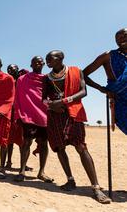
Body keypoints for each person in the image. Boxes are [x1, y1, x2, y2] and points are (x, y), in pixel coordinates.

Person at [43, 50, 111, 204]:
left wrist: (64, 101)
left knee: (81, 147)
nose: (48, 61)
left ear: (61, 59)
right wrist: (51, 105)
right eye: (47, 58)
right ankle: (70, 179)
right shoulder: (46, 78)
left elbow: (83, 91)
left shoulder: (75, 71)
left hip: (73, 113)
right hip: (54, 115)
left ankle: (96, 187)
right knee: (59, 148)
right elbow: (44, 99)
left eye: (51, 58)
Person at [13, 56, 53, 183]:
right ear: (31, 65)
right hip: (28, 116)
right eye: (35, 62)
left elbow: (51, 96)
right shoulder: (22, 79)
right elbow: (17, 98)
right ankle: (22, 171)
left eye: (40, 62)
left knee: (43, 143)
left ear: (44, 64)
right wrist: (18, 115)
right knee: (26, 143)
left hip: (44, 115)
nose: (38, 63)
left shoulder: (47, 79)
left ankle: (41, 172)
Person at [83, 28, 127, 135]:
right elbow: (83, 74)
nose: (122, 39)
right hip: (120, 100)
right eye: (118, 38)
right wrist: (101, 89)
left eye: (125, 35)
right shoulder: (108, 56)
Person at [6, 64, 29, 169]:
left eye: (12, 68)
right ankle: (8, 162)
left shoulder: (22, 79)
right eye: (8, 69)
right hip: (10, 112)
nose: (10, 70)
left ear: (17, 69)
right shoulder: (7, 81)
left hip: (21, 112)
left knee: (22, 140)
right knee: (9, 140)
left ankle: (23, 164)